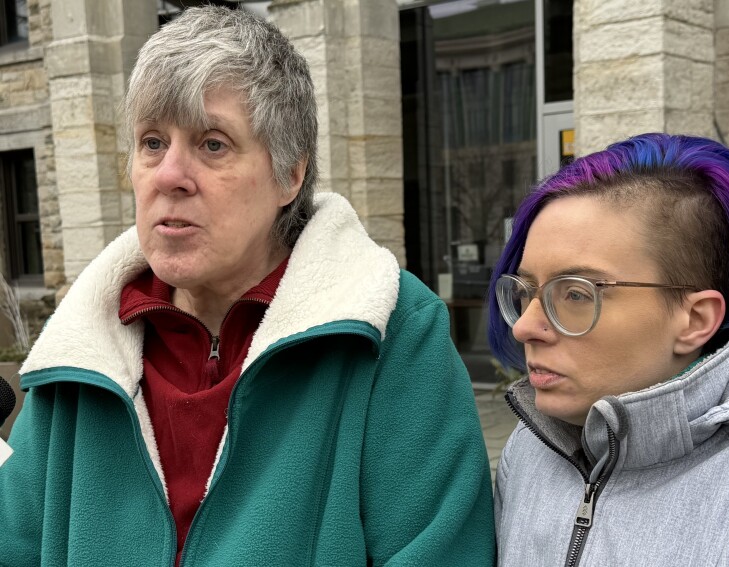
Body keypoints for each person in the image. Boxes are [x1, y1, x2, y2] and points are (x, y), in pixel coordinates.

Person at [0, 6, 494, 566]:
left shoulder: (393, 330)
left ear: (291, 174)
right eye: (152, 142)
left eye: (213, 144)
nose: (168, 175)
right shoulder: (81, 351)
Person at [489, 133, 729, 565]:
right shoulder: (533, 445)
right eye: (525, 290)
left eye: (577, 294)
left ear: (694, 320)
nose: (525, 326)